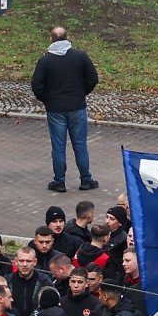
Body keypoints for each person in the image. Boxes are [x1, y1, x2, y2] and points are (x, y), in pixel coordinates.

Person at [31, 27, 98, 193]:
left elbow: (36, 85)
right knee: (80, 144)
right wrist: (82, 93)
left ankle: (59, 181)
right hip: (77, 107)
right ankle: (86, 179)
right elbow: (93, 78)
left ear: (51, 39)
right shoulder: (80, 56)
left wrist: (47, 100)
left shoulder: (45, 61)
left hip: (55, 109)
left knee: (58, 146)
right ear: (67, 38)